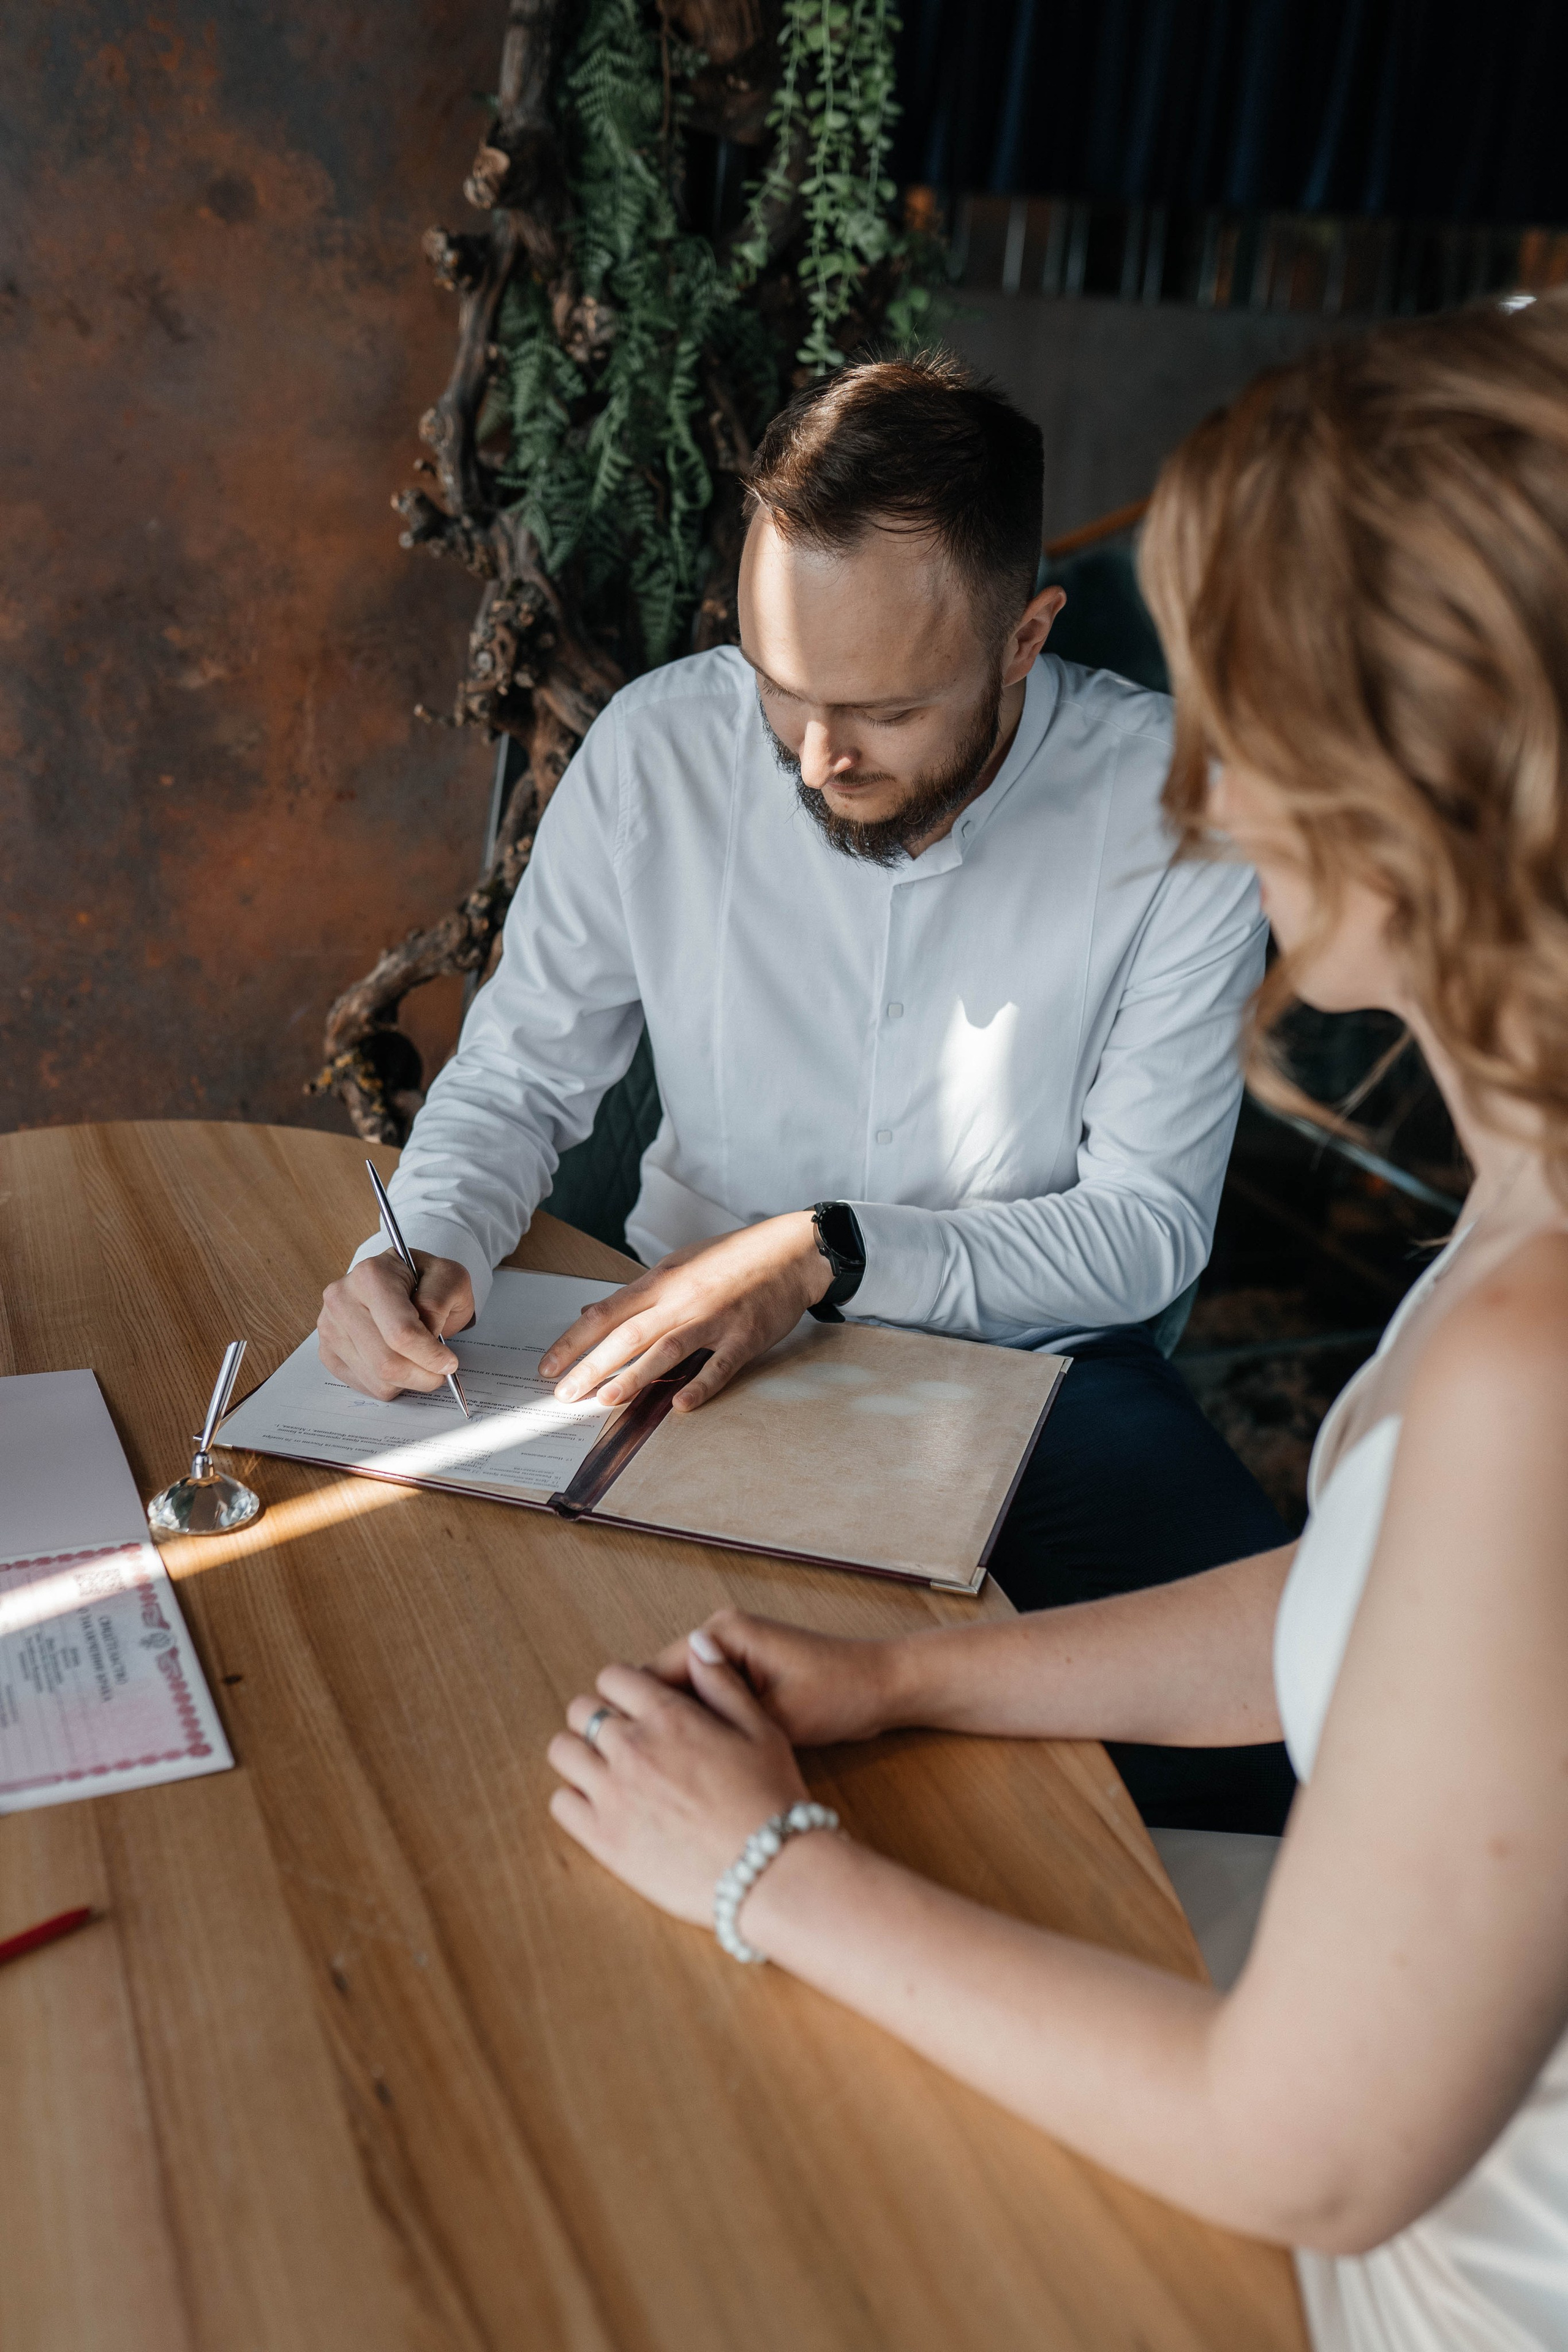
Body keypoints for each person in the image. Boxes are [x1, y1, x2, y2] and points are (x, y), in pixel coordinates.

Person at [544, 297, 1568, 2351]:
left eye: (1242, 718)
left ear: (1419, 789)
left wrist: (765, 1865)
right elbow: (1391, 1609)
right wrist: (900, 1678)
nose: (1204, 788)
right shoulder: (1527, 1202)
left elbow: (1313, 2155)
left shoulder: (1533, 1363)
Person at [320, 353, 1293, 1836]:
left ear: (1026, 637)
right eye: (782, 690)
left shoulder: (1179, 814)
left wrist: (823, 1252)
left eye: (883, 710)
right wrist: (429, 1232)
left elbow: (1144, 1233)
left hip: (1036, 1382)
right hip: (667, 1361)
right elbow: (516, 1072)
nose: (817, 757)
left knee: (1268, 1770)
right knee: (469, 1718)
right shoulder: (658, 749)